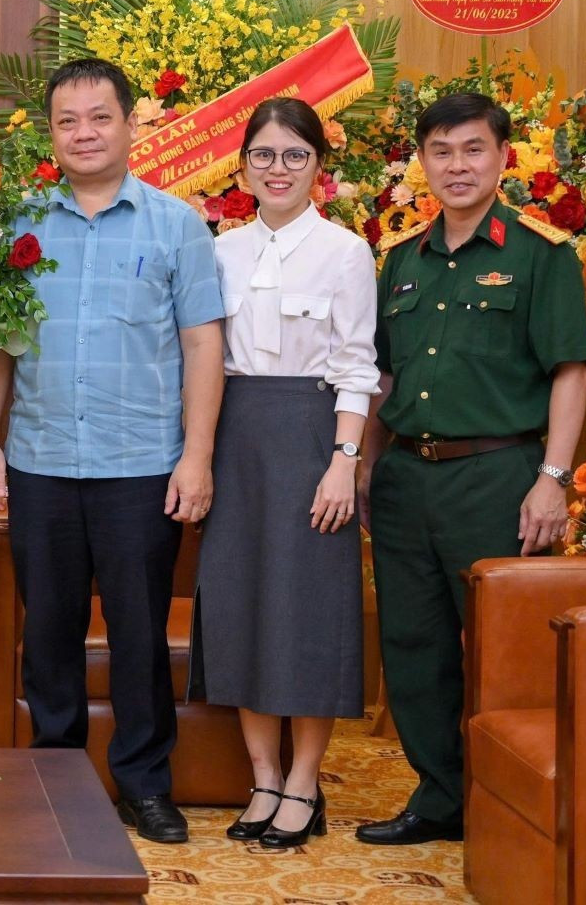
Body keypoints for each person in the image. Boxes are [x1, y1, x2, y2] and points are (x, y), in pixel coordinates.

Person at [0, 57, 225, 845]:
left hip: (142, 465)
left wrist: (197, 456)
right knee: (46, 630)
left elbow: (202, 346)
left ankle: (144, 785)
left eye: (99, 118)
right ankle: (55, 774)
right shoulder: (18, 222)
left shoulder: (176, 225)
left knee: (139, 634)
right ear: (52, 133)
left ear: (131, 124)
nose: (84, 133)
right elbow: (0, 349)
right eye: (68, 121)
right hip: (40, 460)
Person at [355, 92, 586, 845]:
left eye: (473, 150)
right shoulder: (398, 259)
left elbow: (571, 371)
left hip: (499, 476)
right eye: (442, 151)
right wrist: (364, 467)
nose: (457, 166)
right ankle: (440, 797)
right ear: (421, 161)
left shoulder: (539, 253)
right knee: (414, 647)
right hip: (406, 479)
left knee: (500, 650)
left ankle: (507, 807)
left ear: (502, 157)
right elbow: (379, 378)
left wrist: (552, 478)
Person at [190, 97, 377, 848]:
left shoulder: (346, 252)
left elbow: (359, 365)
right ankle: (263, 776)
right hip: (234, 435)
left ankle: (305, 782)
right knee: (239, 602)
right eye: (263, 155)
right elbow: (202, 356)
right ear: (242, 168)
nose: (278, 169)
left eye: (294, 155)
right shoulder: (220, 251)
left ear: (319, 168)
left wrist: (343, 463)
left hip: (312, 438)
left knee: (308, 609)